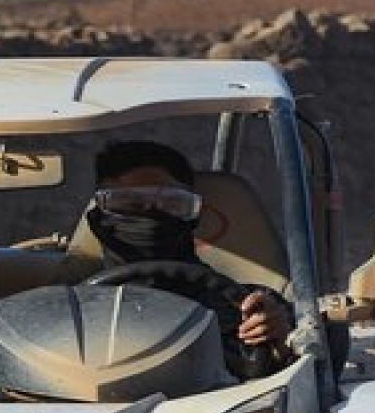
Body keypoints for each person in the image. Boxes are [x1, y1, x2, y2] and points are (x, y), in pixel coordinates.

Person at [82, 140, 295, 378]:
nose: (151, 214)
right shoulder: (68, 311)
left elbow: (297, 378)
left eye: (171, 204)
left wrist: (280, 341)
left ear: (194, 214)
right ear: (97, 217)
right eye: (130, 204)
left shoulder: (247, 308)